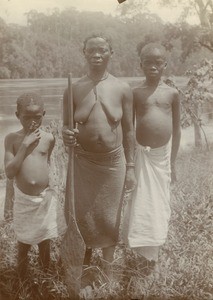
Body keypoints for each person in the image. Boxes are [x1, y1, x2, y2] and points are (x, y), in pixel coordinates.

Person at [62, 34, 136, 277]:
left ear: (110, 53)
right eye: (91, 50)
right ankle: (81, 274)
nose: (96, 54)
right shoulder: (73, 89)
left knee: (109, 219)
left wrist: (132, 166)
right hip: (82, 164)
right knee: (80, 218)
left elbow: (128, 130)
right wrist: (67, 135)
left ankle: (108, 274)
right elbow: (65, 129)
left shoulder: (122, 88)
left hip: (114, 165)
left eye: (102, 50)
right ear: (84, 53)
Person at [123, 43, 181, 269]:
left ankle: (154, 254)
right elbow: (128, 129)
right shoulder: (135, 93)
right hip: (142, 157)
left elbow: (177, 131)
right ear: (141, 65)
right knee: (142, 204)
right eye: (148, 62)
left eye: (158, 63)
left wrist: (173, 163)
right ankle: (141, 255)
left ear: (165, 65)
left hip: (162, 159)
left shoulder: (172, 93)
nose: (153, 66)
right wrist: (129, 163)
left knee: (159, 204)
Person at [4, 92, 67, 281]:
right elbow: (9, 172)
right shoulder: (12, 139)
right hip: (24, 201)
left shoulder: (49, 138)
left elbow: (46, 163)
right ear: (17, 116)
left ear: (44, 114)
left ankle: (45, 279)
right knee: (23, 243)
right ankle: (22, 282)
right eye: (26, 117)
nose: (32, 121)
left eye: (37, 117)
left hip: (44, 200)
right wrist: (24, 145)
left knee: (44, 241)